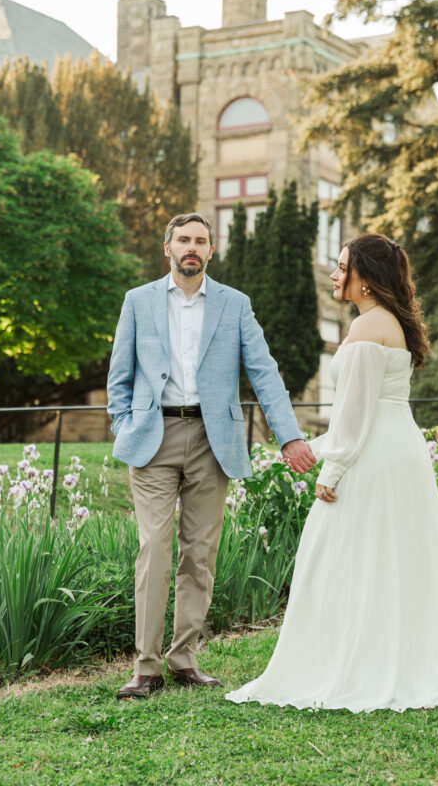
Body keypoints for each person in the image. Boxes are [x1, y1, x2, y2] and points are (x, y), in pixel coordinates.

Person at [226, 233, 438, 712]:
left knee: (341, 559)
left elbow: (352, 420)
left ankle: (354, 665)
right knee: (392, 559)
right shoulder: (392, 322)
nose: (335, 275)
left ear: (367, 279)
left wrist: (325, 467)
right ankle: (397, 659)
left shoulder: (363, 330)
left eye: (342, 267)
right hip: (401, 452)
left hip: (373, 455)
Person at [108, 212, 315, 699]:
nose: (191, 247)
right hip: (153, 436)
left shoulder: (234, 305)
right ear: (168, 248)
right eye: (183, 239)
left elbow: (265, 372)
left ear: (211, 250)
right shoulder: (137, 302)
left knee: (198, 554)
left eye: (201, 240)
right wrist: (125, 423)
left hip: (211, 439)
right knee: (155, 550)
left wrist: (289, 437)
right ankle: (146, 666)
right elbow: (118, 375)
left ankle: (184, 659)